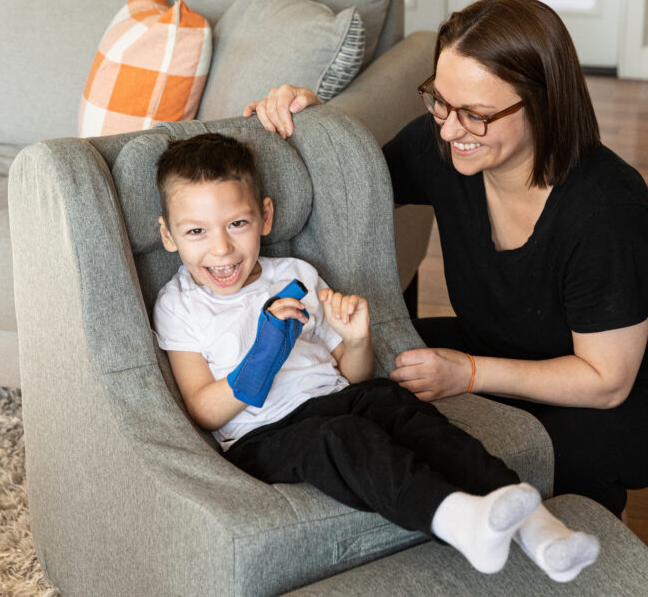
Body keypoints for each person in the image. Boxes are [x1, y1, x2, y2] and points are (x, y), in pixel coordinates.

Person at [243, 0, 648, 518]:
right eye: (440, 101)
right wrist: (313, 122)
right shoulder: (447, 144)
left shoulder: (607, 209)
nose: (448, 129)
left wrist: (469, 373)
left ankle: (589, 539)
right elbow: (352, 186)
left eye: (475, 114)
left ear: (543, 103)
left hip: (639, 395)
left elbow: (606, 382)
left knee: (515, 457)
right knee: (374, 366)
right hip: (506, 343)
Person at [151, 132, 600, 580]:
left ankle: (539, 529)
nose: (221, 248)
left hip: (336, 397)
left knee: (401, 407)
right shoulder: (180, 304)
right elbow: (203, 411)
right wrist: (263, 356)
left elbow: (353, 373)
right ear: (168, 235)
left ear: (265, 217)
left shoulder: (295, 275)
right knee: (340, 437)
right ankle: (458, 521)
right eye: (196, 231)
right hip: (264, 435)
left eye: (237, 224)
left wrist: (357, 339)